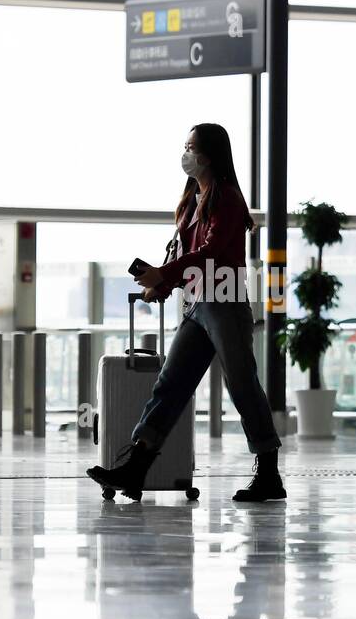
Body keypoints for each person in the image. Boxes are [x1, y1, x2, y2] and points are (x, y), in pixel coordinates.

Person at [87, 123, 285, 502]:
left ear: (209, 155)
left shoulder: (227, 198)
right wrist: (160, 282)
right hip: (197, 305)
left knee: (242, 385)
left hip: (224, 302)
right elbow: (184, 257)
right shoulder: (193, 199)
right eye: (185, 146)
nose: (186, 153)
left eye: (191, 147)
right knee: (170, 384)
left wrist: (166, 274)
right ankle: (136, 467)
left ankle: (269, 471)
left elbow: (209, 254)